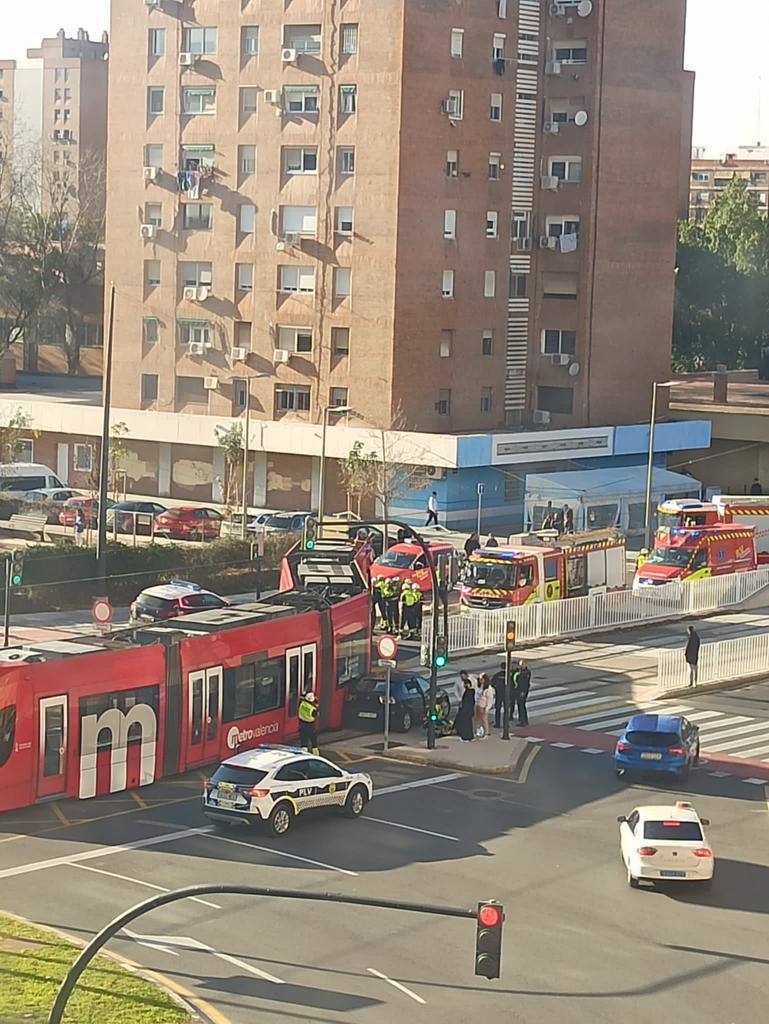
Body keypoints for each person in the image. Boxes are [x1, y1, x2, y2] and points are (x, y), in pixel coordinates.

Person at [513, 659, 531, 726]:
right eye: (520, 664)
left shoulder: (526, 672)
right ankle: (522, 720)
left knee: (522, 705)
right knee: (520, 705)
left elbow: (525, 684)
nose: (521, 666)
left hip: (522, 691)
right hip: (518, 690)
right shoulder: (520, 671)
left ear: (525, 664)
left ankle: (523, 721)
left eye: (522, 664)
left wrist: (523, 692)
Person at [490, 661, 507, 729]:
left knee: (498, 709)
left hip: (499, 694)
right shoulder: (508, 675)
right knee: (506, 710)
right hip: (506, 694)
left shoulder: (497, 675)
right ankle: (506, 724)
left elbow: (492, 683)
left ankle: (497, 724)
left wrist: (496, 687)